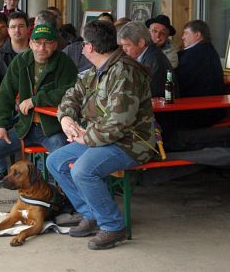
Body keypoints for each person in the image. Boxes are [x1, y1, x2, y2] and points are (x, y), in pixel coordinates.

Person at [47, 20, 159, 250]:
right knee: (55, 161)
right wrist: (66, 118)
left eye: (84, 43)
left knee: (82, 170)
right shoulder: (99, 69)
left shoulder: (125, 72)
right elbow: (72, 95)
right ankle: (91, 214)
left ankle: (112, 225)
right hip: (102, 139)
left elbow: (118, 123)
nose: (82, 47)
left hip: (131, 143)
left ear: (91, 47)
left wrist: (85, 138)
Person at [0, 23, 78, 216]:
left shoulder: (64, 63)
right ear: (30, 43)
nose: (42, 47)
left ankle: (72, 206)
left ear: (55, 45)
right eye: (37, 42)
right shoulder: (21, 61)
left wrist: (36, 100)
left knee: (63, 160)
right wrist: (0, 126)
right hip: (26, 127)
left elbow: (70, 91)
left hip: (53, 129)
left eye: (47, 43)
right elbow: (6, 93)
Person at [0, 11, 30, 177]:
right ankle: (1, 170)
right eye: (13, 27)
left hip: (32, 104)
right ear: (8, 31)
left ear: (28, 29)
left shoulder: (37, 53)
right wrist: (10, 103)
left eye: (21, 26)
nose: (17, 30)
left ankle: (38, 170)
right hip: (2, 103)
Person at [118, 21, 174, 98]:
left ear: (141, 43)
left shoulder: (154, 60)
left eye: (127, 45)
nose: (124, 49)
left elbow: (149, 94)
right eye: (122, 46)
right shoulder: (147, 55)